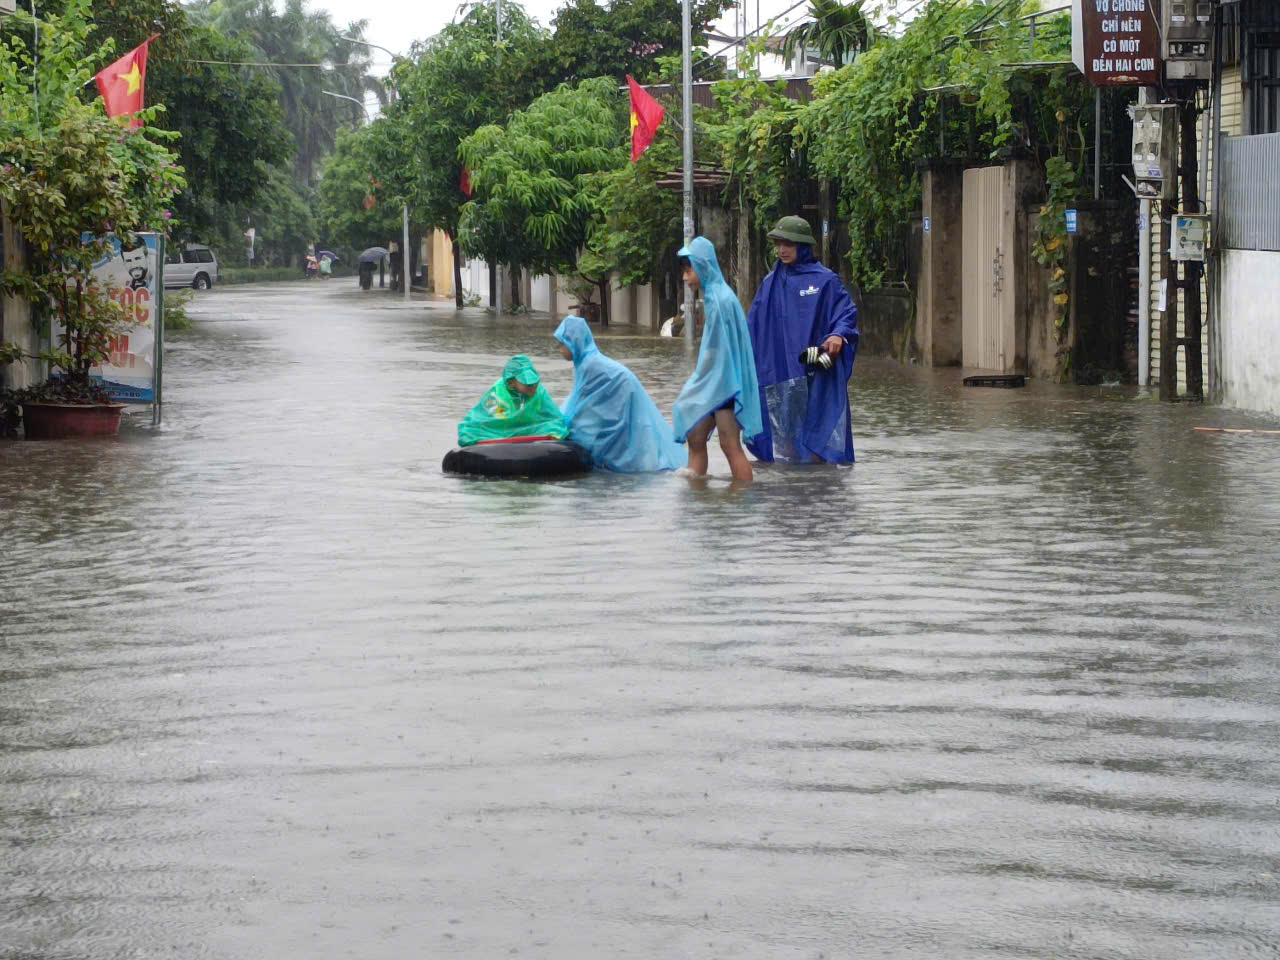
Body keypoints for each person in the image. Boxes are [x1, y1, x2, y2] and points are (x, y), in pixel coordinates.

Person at [745, 216, 859, 465]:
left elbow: (846, 313)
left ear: (803, 246)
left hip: (816, 371)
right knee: (785, 442)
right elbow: (752, 328)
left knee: (817, 436)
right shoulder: (770, 283)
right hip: (781, 375)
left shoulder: (826, 280)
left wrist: (837, 334)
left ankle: (816, 494)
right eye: (779, 244)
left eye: (789, 244)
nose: (782, 250)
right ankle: (795, 494)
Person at [671, 236, 762, 484]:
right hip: (719, 385)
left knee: (729, 445)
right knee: (696, 436)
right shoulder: (715, 296)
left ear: (702, 266)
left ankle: (743, 503)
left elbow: (720, 354)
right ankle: (699, 501)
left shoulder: (720, 300)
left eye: (689, 271)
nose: (685, 277)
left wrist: (700, 386)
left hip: (726, 386)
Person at [554, 315, 687, 473]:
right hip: (622, 386)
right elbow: (579, 401)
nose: (560, 349)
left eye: (562, 343)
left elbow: (580, 406)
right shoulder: (584, 362)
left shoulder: (589, 365)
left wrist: (559, 425)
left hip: (622, 389)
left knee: (622, 433)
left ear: (574, 342)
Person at [457, 355, 569, 446]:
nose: (533, 386)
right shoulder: (497, 394)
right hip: (503, 430)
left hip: (530, 427)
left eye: (535, 382)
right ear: (511, 382)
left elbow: (554, 417)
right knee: (471, 431)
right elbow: (491, 421)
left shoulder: (539, 391)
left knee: (554, 428)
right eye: (527, 384)